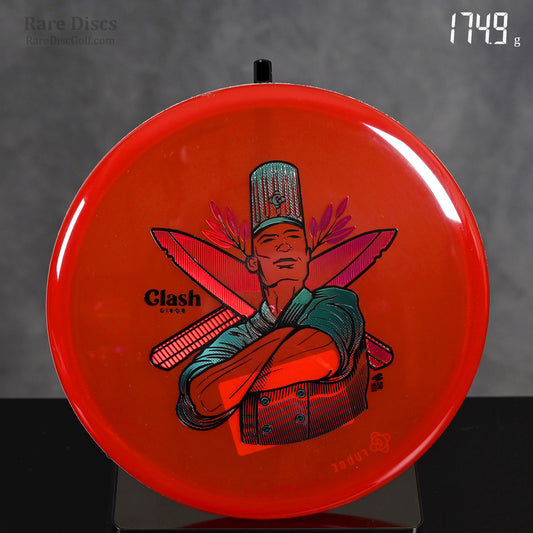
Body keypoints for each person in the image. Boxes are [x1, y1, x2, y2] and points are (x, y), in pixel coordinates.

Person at [177, 161, 369, 445]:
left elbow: (322, 356)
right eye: (269, 240)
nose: (284, 246)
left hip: (347, 454)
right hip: (246, 470)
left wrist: (236, 375)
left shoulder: (337, 300)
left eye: (293, 238)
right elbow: (205, 400)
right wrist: (284, 338)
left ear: (307, 255)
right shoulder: (236, 336)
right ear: (253, 262)